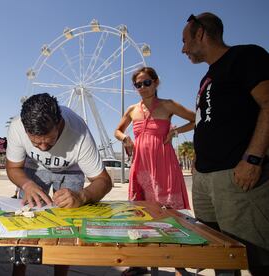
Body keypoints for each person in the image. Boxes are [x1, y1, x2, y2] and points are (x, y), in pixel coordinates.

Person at [182, 12, 269, 275]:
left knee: (256, 256)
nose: (183, 48)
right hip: (205, 178)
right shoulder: (206, 77)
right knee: (219, 254)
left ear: (200, 34)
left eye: (185, 40)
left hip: (236, 176)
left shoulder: (246, 57)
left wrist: (253, 158)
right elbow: (206, 120)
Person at [6, 93, 112, 276]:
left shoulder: (80, 133)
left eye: (49, 141)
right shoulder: (16, 127)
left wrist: (81, 196)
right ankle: (18, 271)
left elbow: (104, 181)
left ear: (59, 122)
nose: (44, 148)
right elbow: (13, 167)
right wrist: (26, 185)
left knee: (67, 227)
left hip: (70, 169)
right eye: (35, 143)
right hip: (33, 168)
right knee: (25, 221)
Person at [115, 67, 194, 210]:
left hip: (164, 163)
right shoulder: (132, 109)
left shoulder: (168, 105)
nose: (142, 87)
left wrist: (175, 132)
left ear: (156, 82)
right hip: (140, 164)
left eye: (146, 82)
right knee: (141, 210)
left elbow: (196, 120)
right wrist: (125, 138)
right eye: (138, 85)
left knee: (168, 213)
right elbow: (117, 131)